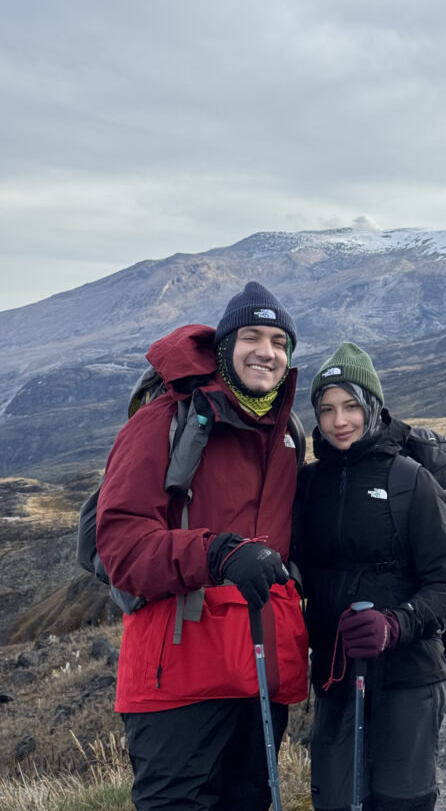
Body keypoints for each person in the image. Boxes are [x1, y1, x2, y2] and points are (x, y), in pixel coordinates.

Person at [96, 281, 308, 811]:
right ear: (224, 347)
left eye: (279, 342)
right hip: (177, 675)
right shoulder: (164, 421)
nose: (267, 352)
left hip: (258, 670)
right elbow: (121, 546)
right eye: (252, 337)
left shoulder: (287, 435)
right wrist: (218, 553)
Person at [293, 342, 446, 811]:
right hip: (336, 673)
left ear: (372, 406)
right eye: (326, 409)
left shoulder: (409, 481)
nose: (339, 421)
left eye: (351, 406)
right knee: (335, 801)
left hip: (409, 676)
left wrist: (394, 624)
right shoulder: (308, 484)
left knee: (399, 802)